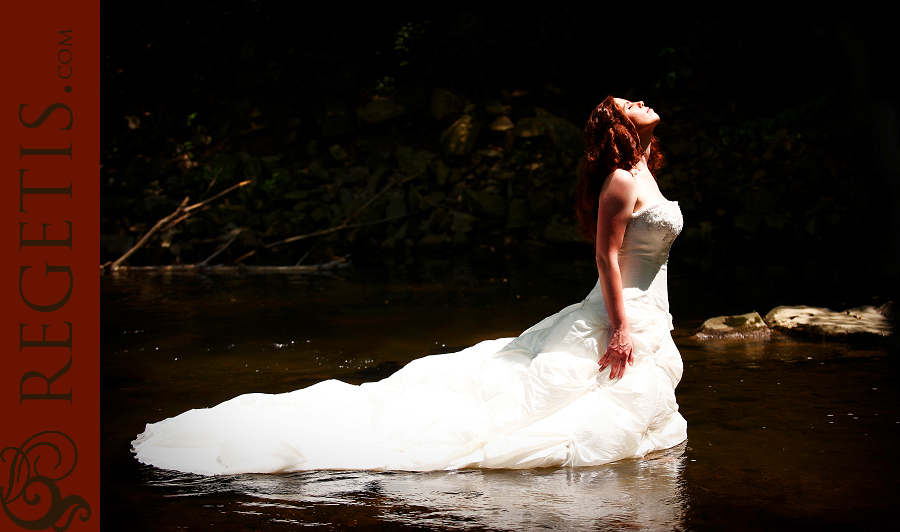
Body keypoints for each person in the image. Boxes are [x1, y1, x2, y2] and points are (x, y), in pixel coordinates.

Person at [132, 96, 687, 475]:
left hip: (648, 309)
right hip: (623, 311)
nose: (639, 103)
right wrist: (617, 327)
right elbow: (604, 256)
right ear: (617, 125)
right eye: (627, 103)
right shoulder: (617, 180)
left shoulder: (644, 170)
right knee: (536, 404)